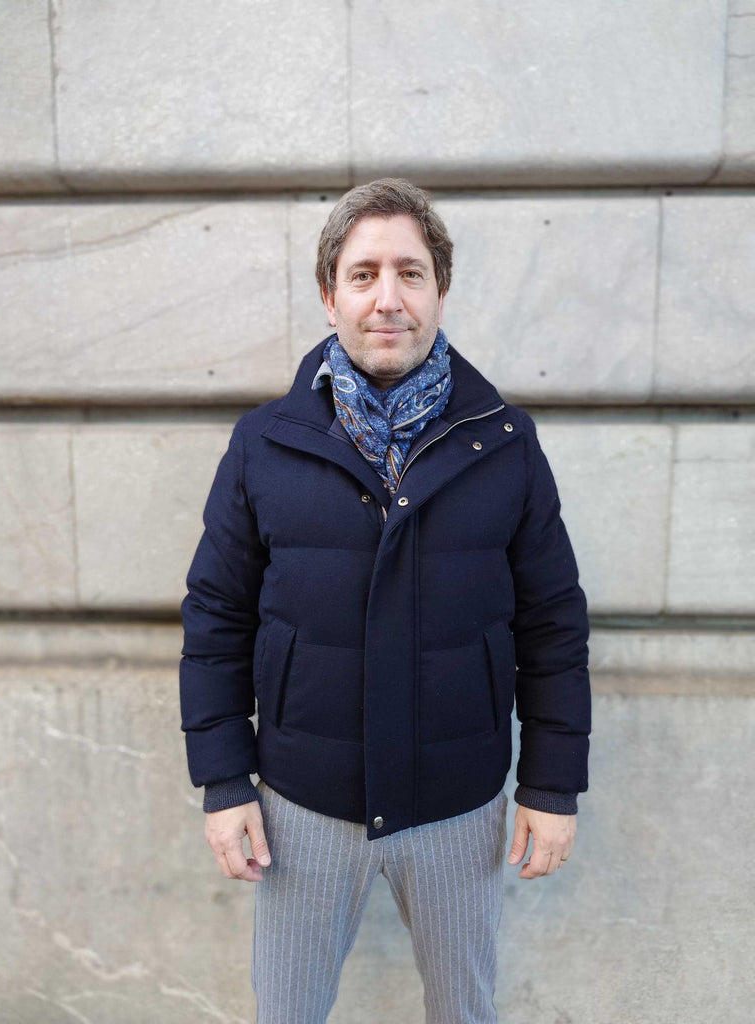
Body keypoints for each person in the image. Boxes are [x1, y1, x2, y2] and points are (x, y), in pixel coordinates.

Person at [179, 178, 591, 1024]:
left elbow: (553, 626)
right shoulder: (264, 444)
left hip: (457, 806)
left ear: (441, 290)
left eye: (410, 272)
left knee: (465, 1011)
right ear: (329, 295)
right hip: (302, 808)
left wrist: (551, 786)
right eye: (364, 275)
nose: (388, 298)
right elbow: (215, 620)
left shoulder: (505, 444)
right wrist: (223, 782)